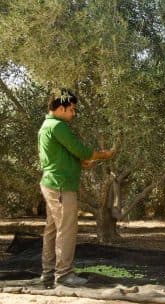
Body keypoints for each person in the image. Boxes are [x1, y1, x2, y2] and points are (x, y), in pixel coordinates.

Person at [38, 88, 114, 287]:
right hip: (61, 186)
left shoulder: (47, 125)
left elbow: (59, 156)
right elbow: (79, 150)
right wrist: (101, 155)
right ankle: (63, 275)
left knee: (53, 230)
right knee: (66, 230)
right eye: (72, 110)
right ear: (61, 108)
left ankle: (48, 273)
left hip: (52, 183)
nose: (73, 114)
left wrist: (79, 163)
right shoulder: (58, 126)